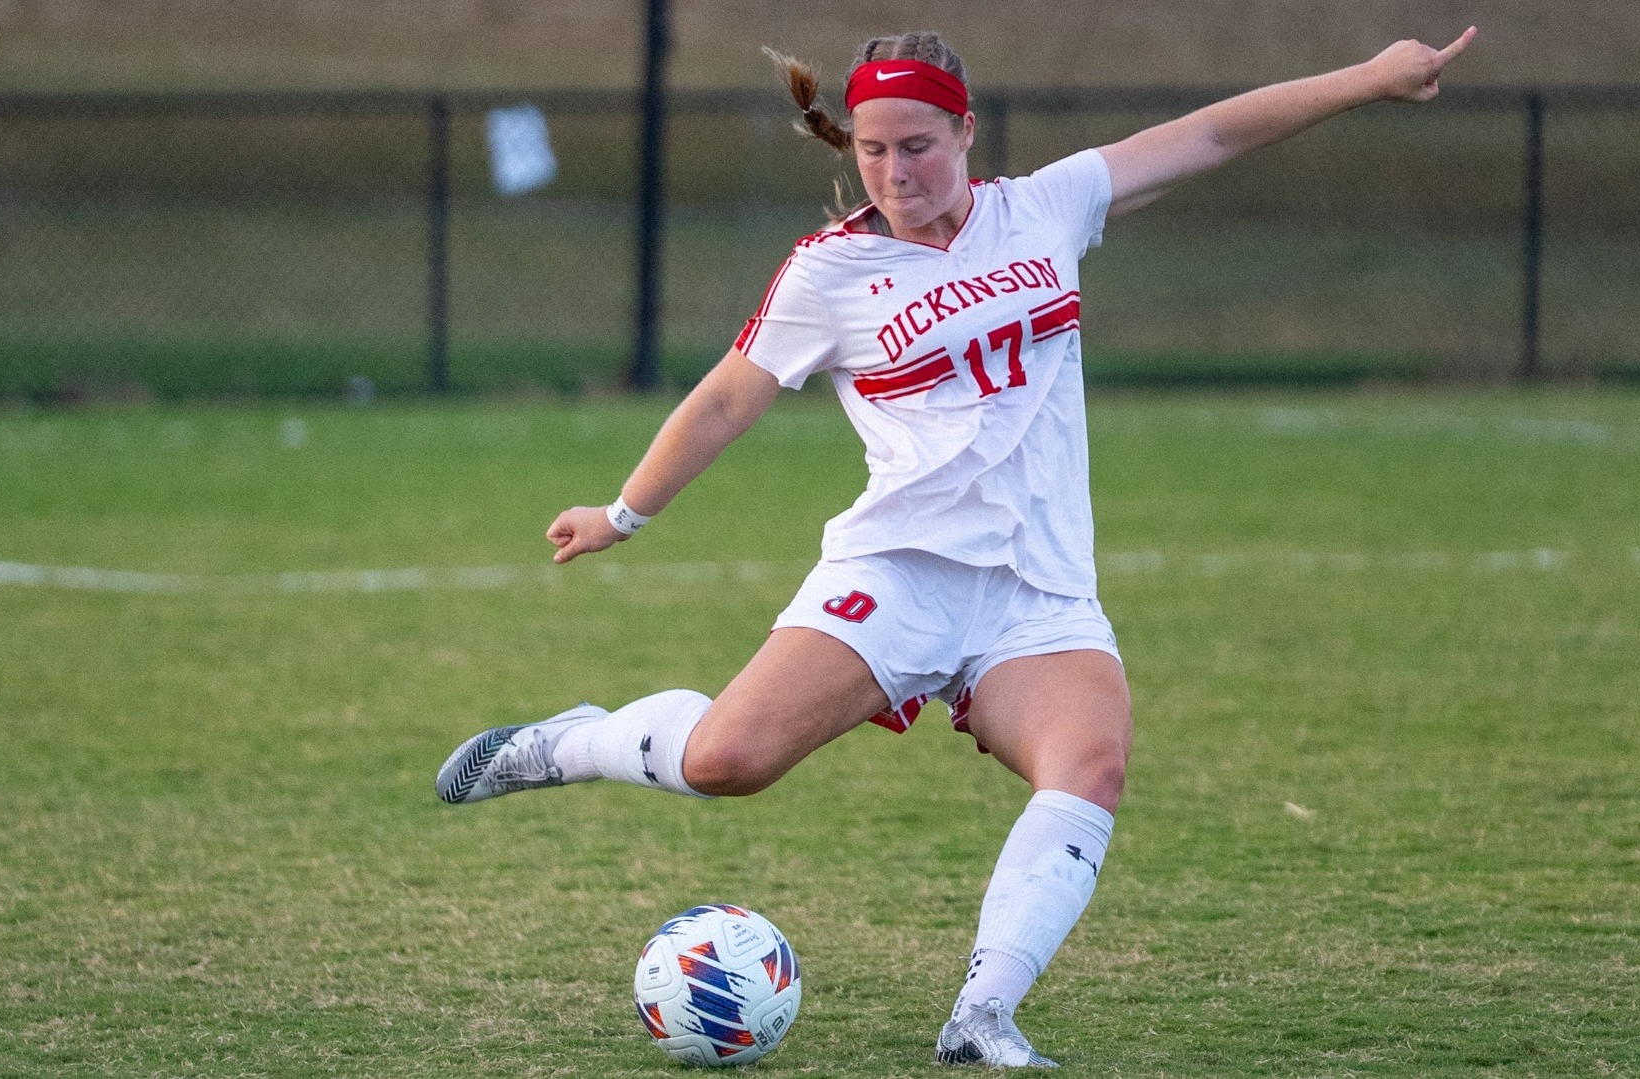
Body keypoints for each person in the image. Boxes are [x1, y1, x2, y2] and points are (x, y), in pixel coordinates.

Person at [437, 26, 1477, 1068]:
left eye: (918, 145)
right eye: (874, 149)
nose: (894, 171)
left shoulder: (1045, 208)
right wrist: (623, 513)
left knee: (1089, 760)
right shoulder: (829, 270)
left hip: (1038, 593)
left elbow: (1206, 137)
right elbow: (722, 400)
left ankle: (982, 1013)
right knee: (726, 760)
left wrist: (1372, 80)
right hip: (898, 575)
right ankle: (566, 742)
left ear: (966, 131)